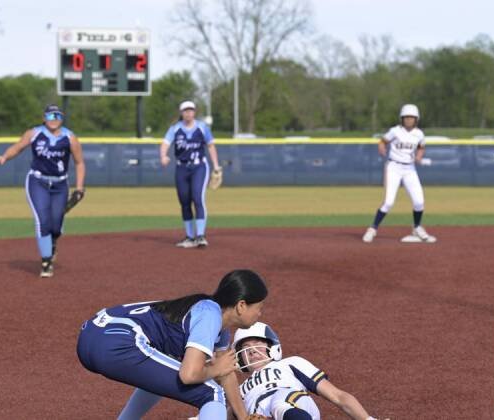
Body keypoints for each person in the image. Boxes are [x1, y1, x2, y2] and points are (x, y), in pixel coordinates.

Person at [77, 269, 268, 420]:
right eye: (259, 307)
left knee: (164, 372)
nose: (260, 313)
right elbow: (189, 375)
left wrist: (243, 416)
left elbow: (225, 373)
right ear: (241, 306)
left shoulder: (217, 323)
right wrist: (213, 370)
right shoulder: (210, 315)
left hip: (93, 336)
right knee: (212, 393)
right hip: (116, 340)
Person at [0, 105, 86, 277]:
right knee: (42, 220)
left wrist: (80, 187)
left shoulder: (70, 137)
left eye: (57, 115)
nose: (54, 118)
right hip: (38, 181)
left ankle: (52, 242)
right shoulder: (34, 133)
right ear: (44, 118)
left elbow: (79, 162)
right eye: (50, 115)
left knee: (56, 224)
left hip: (60, 184)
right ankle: (46, 261)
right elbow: (18, 147)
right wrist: (5, 156)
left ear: (62, 118)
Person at [234, 322, 386, 420]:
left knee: (279, 402)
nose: (252, 351)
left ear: (272, 347)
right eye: (246, 347)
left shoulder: (290, 363)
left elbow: (337, 396)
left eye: (257, 343)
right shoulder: (237, 389)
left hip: (294, 405)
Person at [362, 104, 436, 244]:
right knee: (389, 202)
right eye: (406, 117)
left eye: (412, 118)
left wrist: (419, 156)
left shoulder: (419, 134)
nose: (409, 120)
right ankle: (372, 229)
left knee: (419, 201)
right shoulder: (395, 131)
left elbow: (421, 147)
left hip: (410, 169)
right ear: (402, 119)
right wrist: (382, 148)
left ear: (416, 119)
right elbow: (383, 141)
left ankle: (417, 227)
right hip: (393, 167)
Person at [160, 100, 221, 248]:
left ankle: (200, 236)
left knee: (197, 197)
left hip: (199, 166)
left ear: (194, 112)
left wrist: (216, 166)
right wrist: (163, 156)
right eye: (186, 110)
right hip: (181, 168)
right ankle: (189, 237)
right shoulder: (175, 129)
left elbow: (211, 146)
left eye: (191, 110)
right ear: (181, 113)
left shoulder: (202, 127)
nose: (189, 113)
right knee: (184, 201)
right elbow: (165, 144)